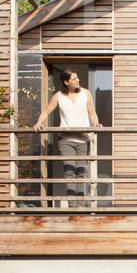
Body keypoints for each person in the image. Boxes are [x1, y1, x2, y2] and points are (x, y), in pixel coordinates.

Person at [33, 69, 100, 207]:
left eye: (77, 77)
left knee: (81, 172)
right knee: (70, 172)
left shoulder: (85, 93)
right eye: (74, 79)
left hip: (83, 139)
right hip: (66, 141)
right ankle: (72, 206)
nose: (78, 80)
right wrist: (39, 123)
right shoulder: (58, 96)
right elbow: (46, 111)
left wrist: (96, 124)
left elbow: (92, 113)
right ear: (66, 81)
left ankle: (80, 206)